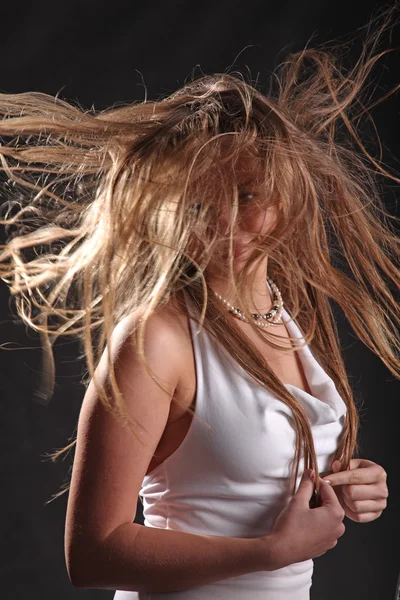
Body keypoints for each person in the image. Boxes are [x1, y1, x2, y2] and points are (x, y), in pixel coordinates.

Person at [0, 6, 397, 599]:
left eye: (246, 194)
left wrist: (354, 484)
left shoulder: (286, 314)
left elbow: (249, 478)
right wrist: (271, 552)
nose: (225, 224)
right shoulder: (156, 337)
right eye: (197, 205)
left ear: (286, 191)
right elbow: (91, 552)